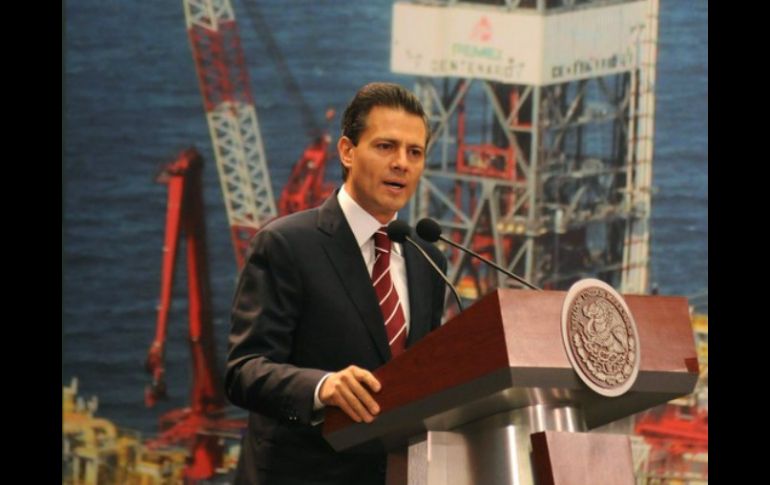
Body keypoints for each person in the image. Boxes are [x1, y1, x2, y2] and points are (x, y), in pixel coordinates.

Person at [225, 82, 447, 485]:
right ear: (347, 151)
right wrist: (322, 387)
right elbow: (244, 371)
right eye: (386, 147)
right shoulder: (286, 244)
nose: (401, 163)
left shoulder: (427, 259)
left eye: (414, 152)